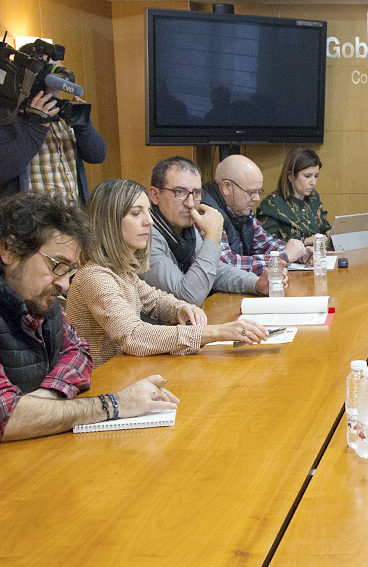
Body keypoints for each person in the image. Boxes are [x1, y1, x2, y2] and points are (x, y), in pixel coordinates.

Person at [0, 192, 177, 441]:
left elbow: (79, 350)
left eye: (69, 270)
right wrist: (113, 404)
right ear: (9, 250)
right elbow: (6, 417)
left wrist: (47, 397)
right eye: (56, 265)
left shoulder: (43, 301)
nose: (64, 284)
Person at [67, 179, 269, 367]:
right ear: (108, 222)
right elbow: (133, 336)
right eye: (136, 213)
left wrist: (180, 308)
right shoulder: (94, 276)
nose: (149, 221)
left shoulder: (121, 272)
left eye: (148, 212)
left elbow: (154, 301)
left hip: (126, 372)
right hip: (102, 382)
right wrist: (216, 332)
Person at [140, 156, 285, 306]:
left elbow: (215, 271)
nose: (190, 203)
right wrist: (212, 237)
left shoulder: (186, 228)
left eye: (196, 193)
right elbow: (187, 297)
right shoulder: (146, 235)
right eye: (179, 192)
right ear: (155, 195)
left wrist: (256, 284)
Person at [0, 42, 106, 204]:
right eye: (50, 71)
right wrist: (36, 128)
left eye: (60, 70)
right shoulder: (8, 117)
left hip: (71, 216)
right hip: (32, 217)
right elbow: (4, 169)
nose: (59, 79)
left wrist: (83, 124)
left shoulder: (63, 113)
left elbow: (98, 155)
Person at [201, 154, 307, 274]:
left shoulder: (241, 209)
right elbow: (226, 266)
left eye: (258, 192)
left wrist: (301, 253)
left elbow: (265, 244)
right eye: (251, 192)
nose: (257, 198)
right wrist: (283, 257)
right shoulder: (207, 213)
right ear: (227, 187)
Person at [257, 147, 331, 245]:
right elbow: (267, 244)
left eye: (316, 176)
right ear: (291, 176)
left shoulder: (313, 198)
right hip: (289, 255)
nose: (313, 182)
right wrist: (305, 241)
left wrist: (330, 233)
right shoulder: (271, 204)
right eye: (307, 176)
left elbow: (323, 225)